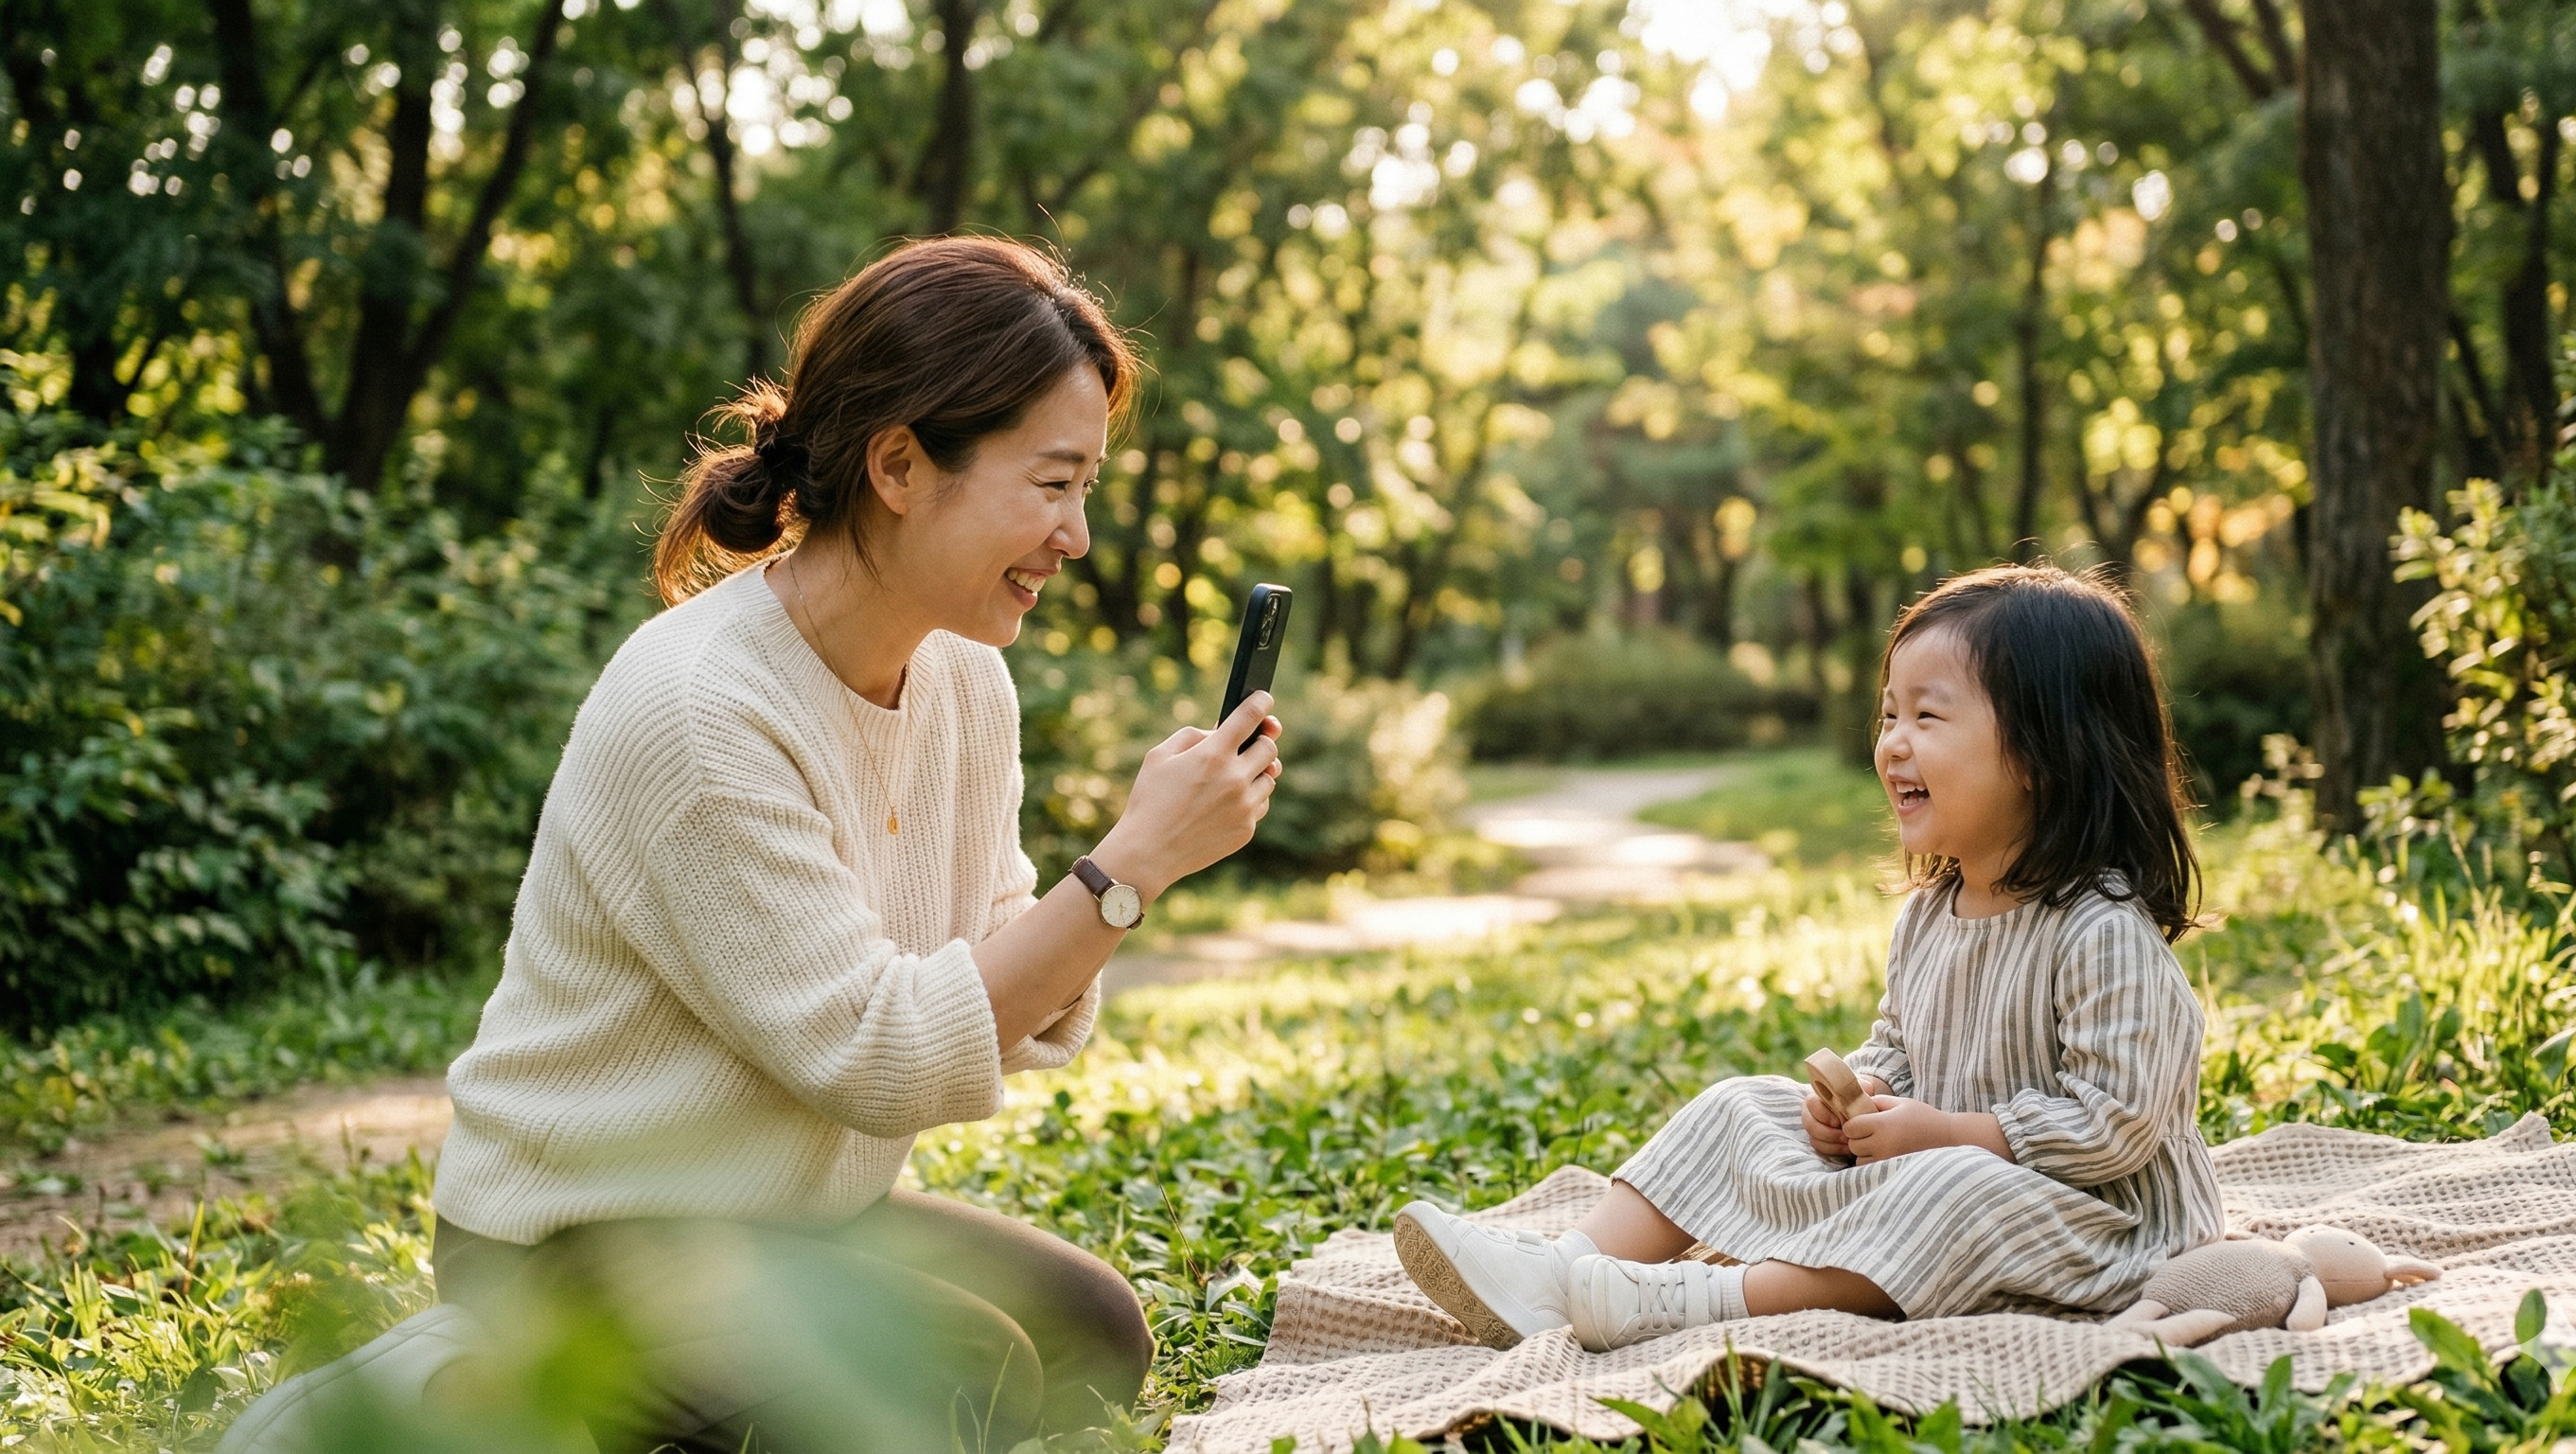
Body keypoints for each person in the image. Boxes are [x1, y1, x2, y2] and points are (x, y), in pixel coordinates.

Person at [413, 237, 1282, 1451]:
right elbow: (877, 1056)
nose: (1076, 536)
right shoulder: (702, 710)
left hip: (783, 1220)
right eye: (1050, 484)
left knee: (1093, 1335)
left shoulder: (966, 681)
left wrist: (1133, 868)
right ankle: (480, 1397)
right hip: (579, 1233)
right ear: (897, 464)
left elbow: (1001, 973)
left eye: (1084, 489)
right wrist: (1130, 866)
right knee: (953, 1379)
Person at [1390, 564, 2224, 1353]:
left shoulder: (2099, 928)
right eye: (1889, 715)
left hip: (2095, 1229)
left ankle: (1700, 1301)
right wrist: (1860, 1097)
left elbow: (2119, 1123)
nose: (1894, 742)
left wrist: (1959, 1136)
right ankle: (1561, 1268)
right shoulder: (1931, 916)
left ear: (2046, 754)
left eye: (1928, 717)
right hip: (1926, 1176)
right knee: (1744, 1105)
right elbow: (1900, 1043)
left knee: (1954, 1190)